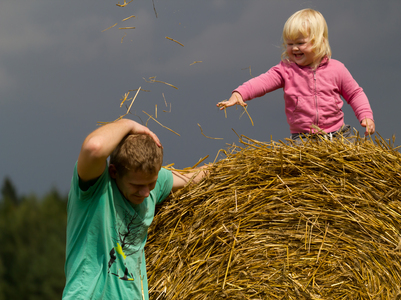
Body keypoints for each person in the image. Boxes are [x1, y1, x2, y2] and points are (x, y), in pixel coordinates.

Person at [62, 118, 208, 299]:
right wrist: (129, 125)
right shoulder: (96, 188)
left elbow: (196, 176)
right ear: (114, 172)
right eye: (136, 185)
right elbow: (94, 147)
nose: (146, 193)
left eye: (151, 183)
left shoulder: (151, 183)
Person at [217, 8, 375, 141]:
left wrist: (365, 116)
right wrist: (240, 93)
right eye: (290, 44)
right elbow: (262, 82)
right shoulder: (286, 70)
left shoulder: (337, 69)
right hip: (303, 138)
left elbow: (355, 94)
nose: (294, 48)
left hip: (338, 134)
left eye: (300, 43)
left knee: (355, 163)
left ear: (320, 42)